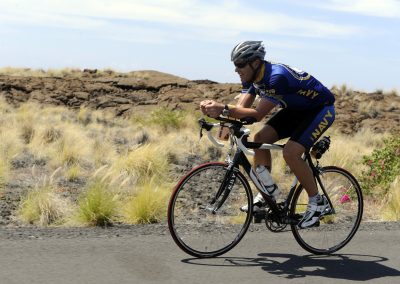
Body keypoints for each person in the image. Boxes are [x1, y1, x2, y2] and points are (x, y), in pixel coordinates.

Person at [200, 41, 335, 228]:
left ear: (255, 62)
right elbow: (241, 109)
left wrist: (222, 108)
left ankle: (317, 202)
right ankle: (267, 194)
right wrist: (221, 119)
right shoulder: (252, 75)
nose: (236, 70)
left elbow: (257, 115)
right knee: (259, 139)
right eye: (234, 65)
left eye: (239, 64)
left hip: (320, 110)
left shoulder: (276, 78)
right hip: (295, 111)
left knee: (291, 152)